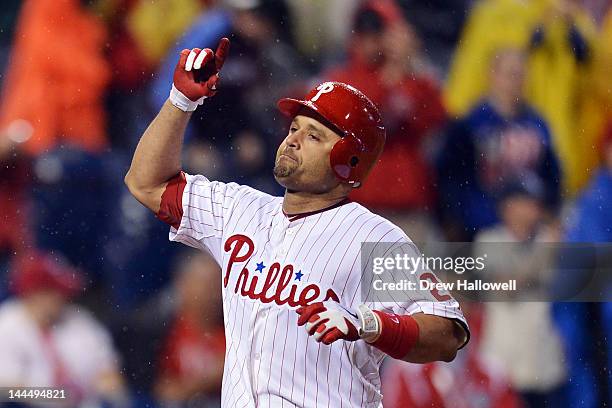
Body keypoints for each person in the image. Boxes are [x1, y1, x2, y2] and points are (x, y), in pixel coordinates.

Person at [124, 38, 469, 407]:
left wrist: (369, 325)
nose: (293, 140)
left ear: (348, 160)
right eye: (294, 128)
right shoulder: (240, 209)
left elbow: (447, 333)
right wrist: (181, 101)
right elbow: (147, 182)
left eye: (314, 134)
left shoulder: (373, 237)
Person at [323, 0, 447, 241]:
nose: (370, 43)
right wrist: (395, 75)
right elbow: (368, 120)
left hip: (407, 205)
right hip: (360, 207)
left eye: (377, 34)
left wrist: (408, 68)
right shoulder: (342, 78)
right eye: (364, 35)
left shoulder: (414, 79)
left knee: (407, 278)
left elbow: (437, 117)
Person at [437, 48, 561, 240]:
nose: (515, 81)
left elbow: (551, 174)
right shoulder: (471, 123)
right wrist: (469, 217)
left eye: (520, 75)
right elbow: (452, 177)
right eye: (510, 74)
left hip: (530, 224)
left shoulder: (537, 123)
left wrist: (542, 211)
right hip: (483, 225)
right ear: (492, 75)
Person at [0, 250, 128, 407]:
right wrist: (58, 395)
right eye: (54, 291)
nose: (62, 297)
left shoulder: (80, 321)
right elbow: (6, 390)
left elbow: (110, 376)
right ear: (35, 292)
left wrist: (110, 392)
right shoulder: (7, 324)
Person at [154, 251, 225, 407]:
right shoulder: (162, 332)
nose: (214, 293)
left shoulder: (235, 333)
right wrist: (209, 378)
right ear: (183, 285)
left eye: (218, 285)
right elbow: (162, 391)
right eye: (206, 284)